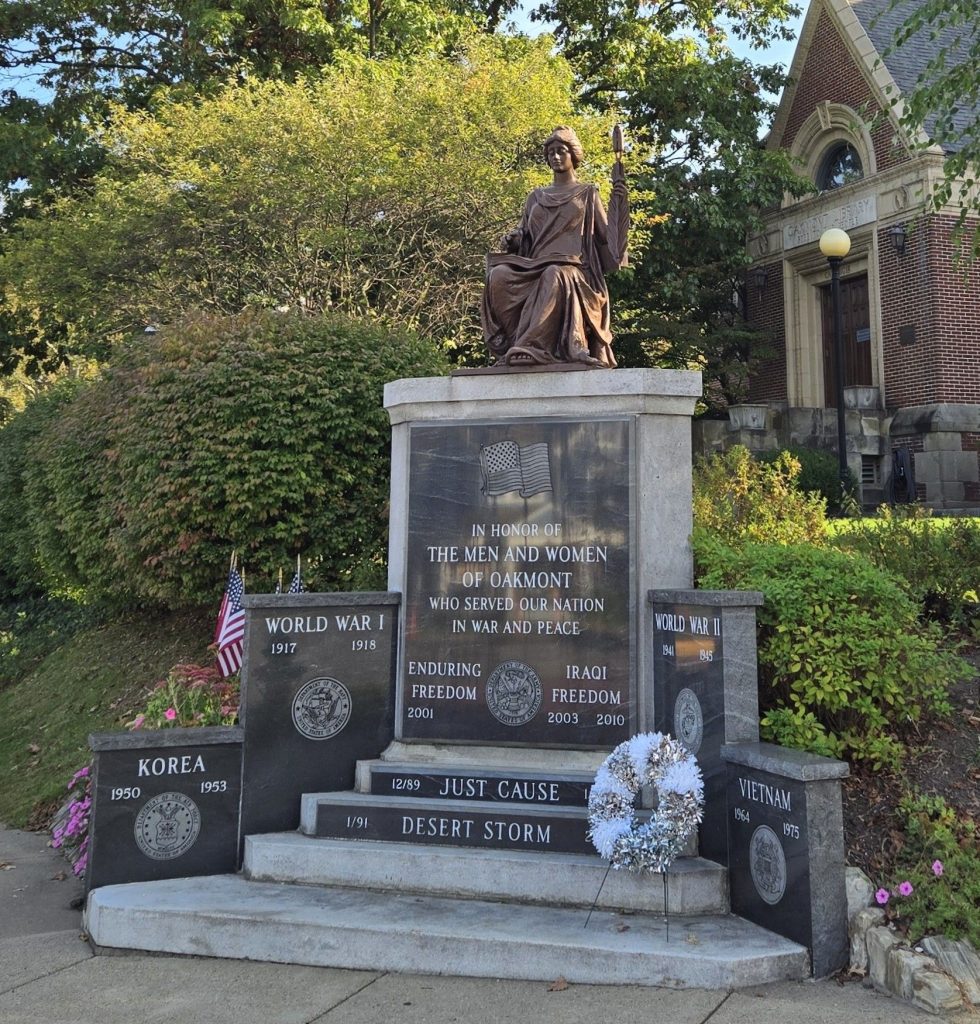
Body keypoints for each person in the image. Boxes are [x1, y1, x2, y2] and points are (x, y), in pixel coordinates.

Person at [481, 126, 628, 367]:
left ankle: (531, 346)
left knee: (555, 274)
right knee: (498, 276)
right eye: (551, 153)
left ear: (573, 155)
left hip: (574, 269)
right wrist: (514, 240)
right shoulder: (535, 197)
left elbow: (608, 239)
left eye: (561, 151)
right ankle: (514, 343)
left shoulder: (587, 193)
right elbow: (523, 235)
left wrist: (619, 204)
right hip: (533, 266)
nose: (556, 157)